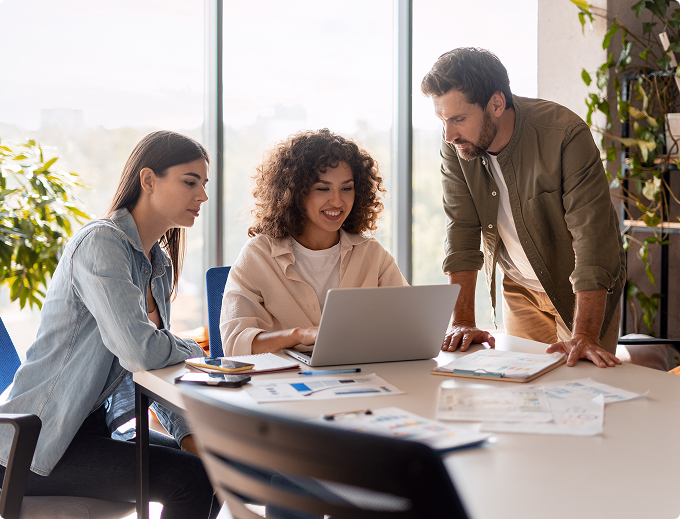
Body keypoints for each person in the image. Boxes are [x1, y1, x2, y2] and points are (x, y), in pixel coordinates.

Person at [0, 131, 219, 518]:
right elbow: (141, 351)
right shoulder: (102, 244)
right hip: (32, 444)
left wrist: (187, 436)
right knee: (192, 479)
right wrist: (193, 349)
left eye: (204, 184)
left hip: (87, 432)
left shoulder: (158, 265)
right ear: (148, 180)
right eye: (190, 181)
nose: (202, 195)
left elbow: (153, 371)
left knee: (216, 467)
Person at [420, 47, 626, 368]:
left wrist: (584, 333)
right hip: (519, 287)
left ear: (497, 104)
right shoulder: (458, 143)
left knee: (578, 391)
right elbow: (460, 227)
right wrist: (463, 321)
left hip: (579, 290)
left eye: (459, 118)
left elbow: (593, 240)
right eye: (442, 120)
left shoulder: (564, 135)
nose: (449, 134)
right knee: (523, 391)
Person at [220, 128, 407, 356]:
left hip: (357, 378)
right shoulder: (258, 255)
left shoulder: (372, 255)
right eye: (322, 188)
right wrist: (298, 335)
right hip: (284, 384)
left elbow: (409, 327)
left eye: (346, 188)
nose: (337, 201)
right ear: (296, 193)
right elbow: (235, 343)